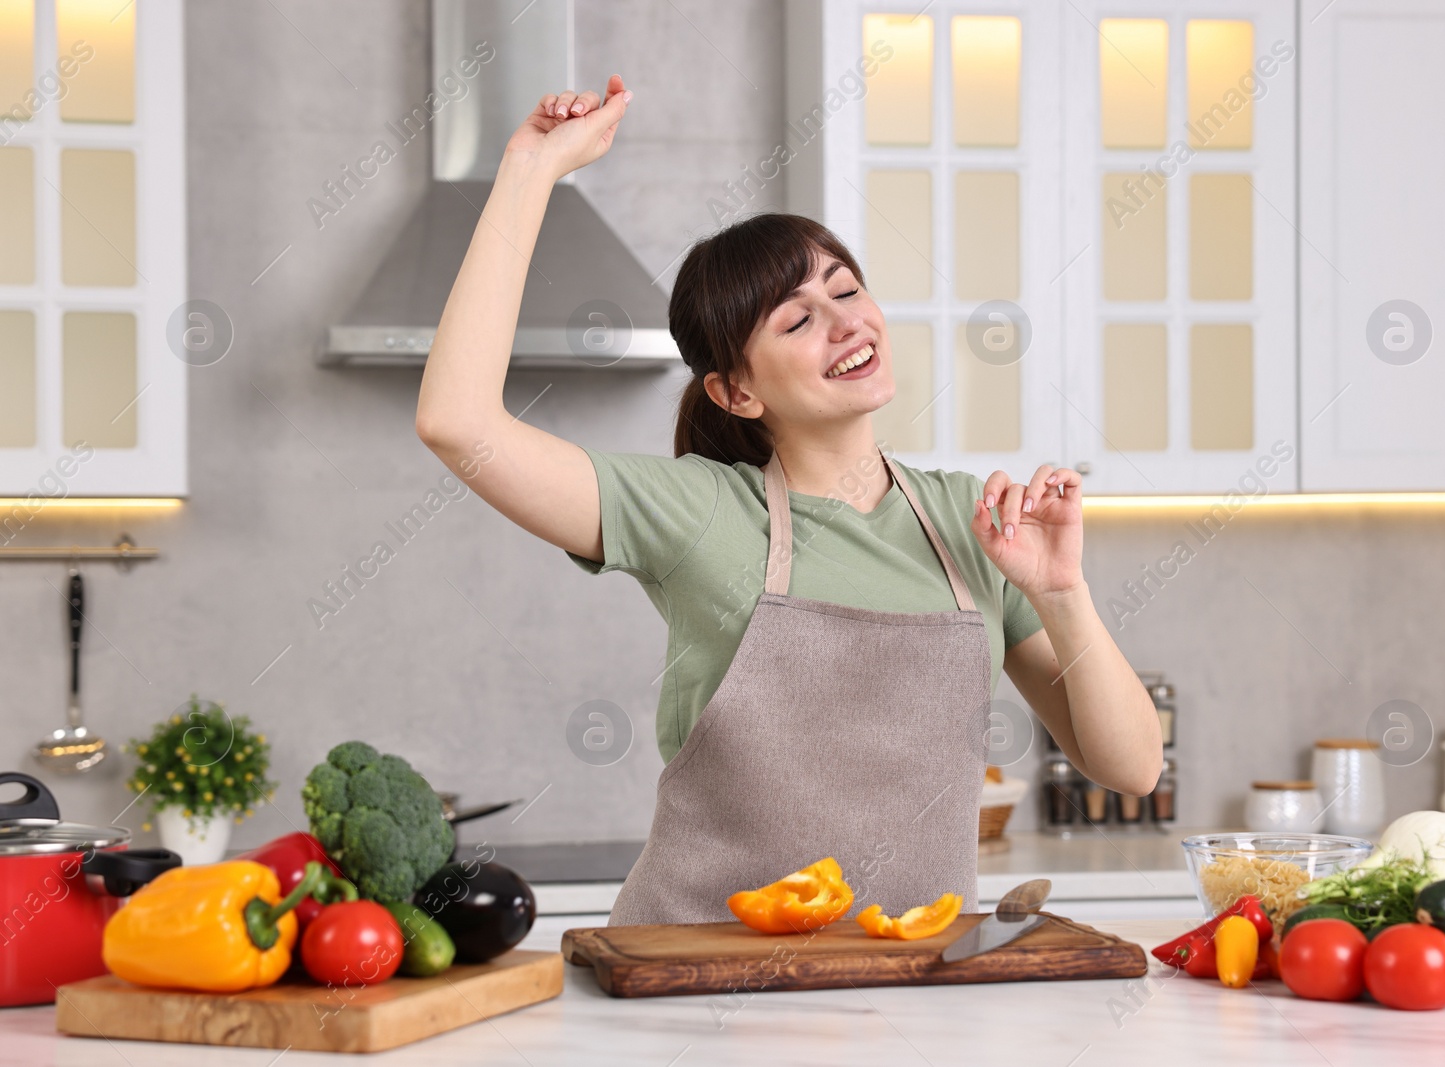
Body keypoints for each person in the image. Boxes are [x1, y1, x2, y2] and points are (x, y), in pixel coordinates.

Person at [417, 76, 1163, 926]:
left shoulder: (974, 524)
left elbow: (1132, 768)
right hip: (698, 983)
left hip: (901, 993)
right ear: (735, 391)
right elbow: (455, 421)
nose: (843, 322)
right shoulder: (698, 512)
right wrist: (528, 167)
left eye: (844, 291)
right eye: (795, 320)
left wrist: (1061, 593)